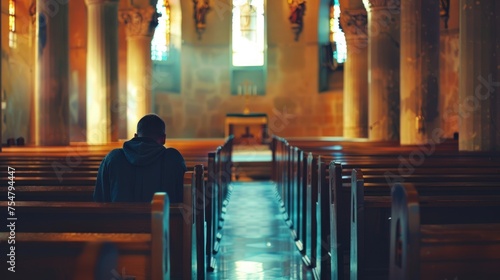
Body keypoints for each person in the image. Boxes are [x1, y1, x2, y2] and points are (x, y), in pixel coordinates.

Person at [94, 114, 187, 203]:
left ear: (135, 136)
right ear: (163, 139)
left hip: (120, 219)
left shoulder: (113, 158)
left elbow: (100, 200)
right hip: (162, 219)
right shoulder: (173, 159)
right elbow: (185, 200)